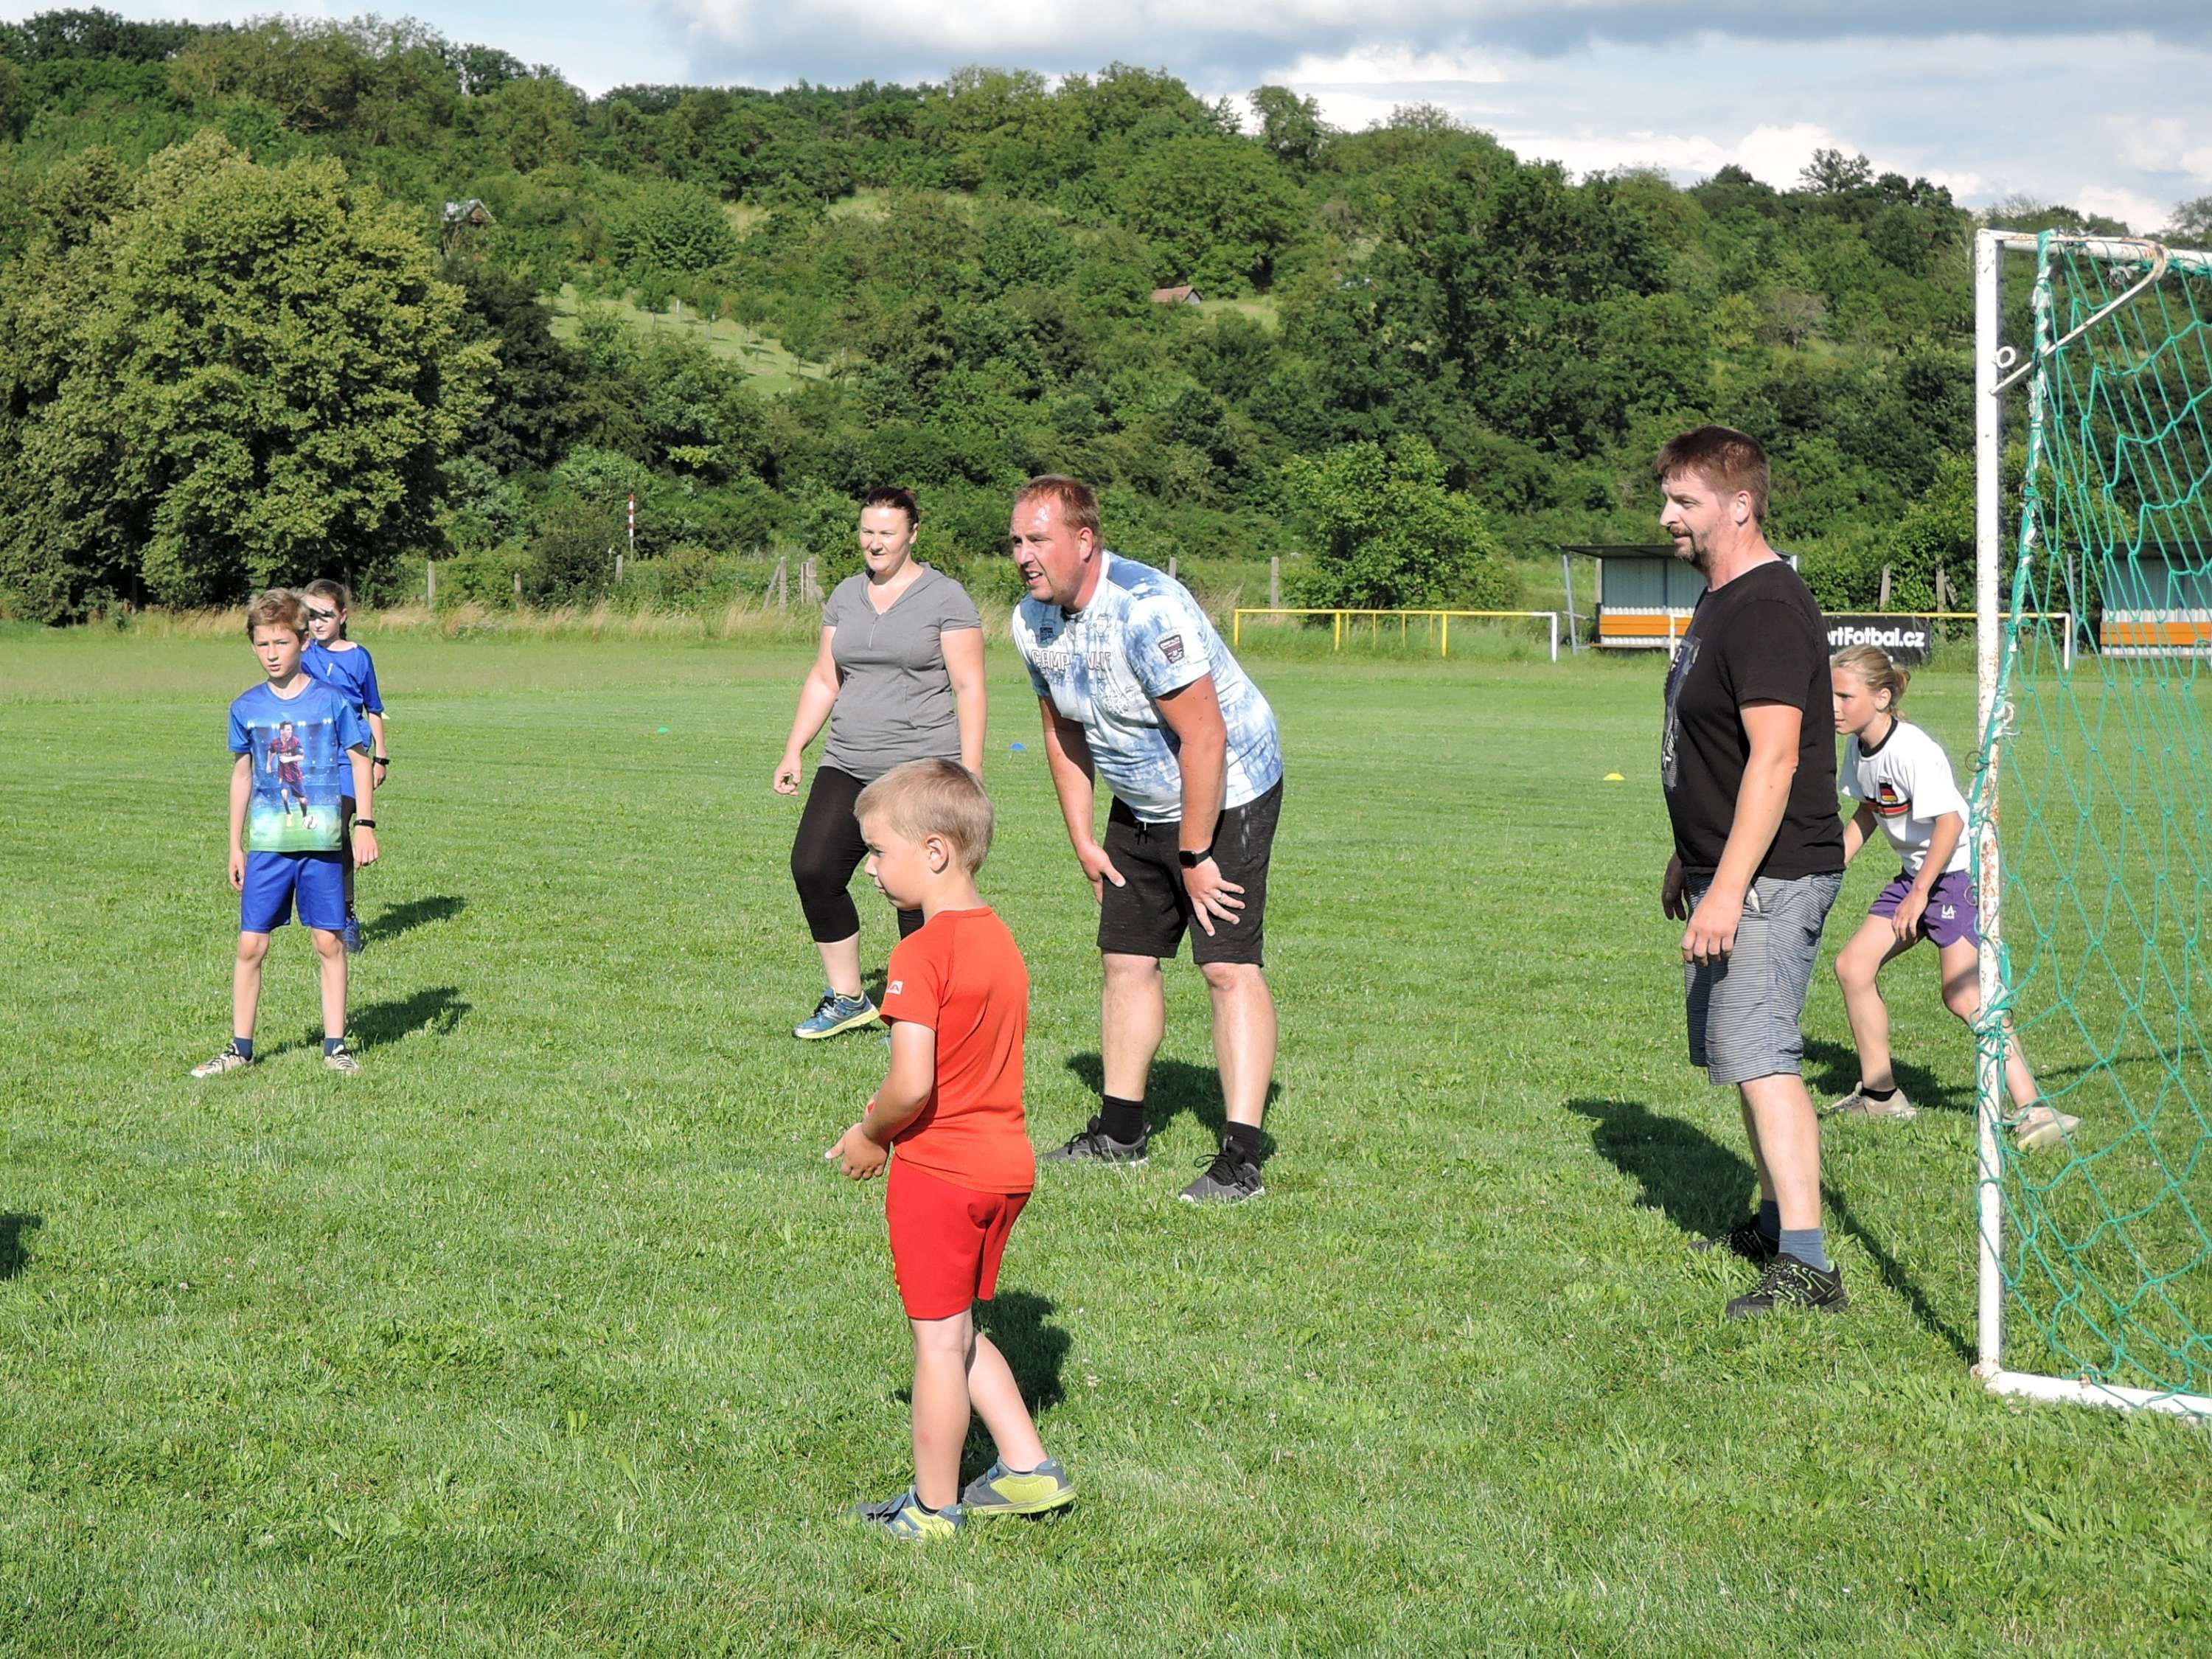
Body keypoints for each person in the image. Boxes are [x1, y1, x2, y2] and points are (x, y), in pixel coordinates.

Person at [1007, 476, 1285, 1205]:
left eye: (1038, 540)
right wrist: (1082, 837)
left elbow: (1206, 737)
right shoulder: (1030, 622)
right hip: (1138, 796)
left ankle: (1242, 1161)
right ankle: (1121, 1134)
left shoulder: (1146, 608)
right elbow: (1063, 731)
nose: (1024, 556)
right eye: (1016, 541)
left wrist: (1194, 855)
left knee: (1226, 965)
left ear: (1084, 541)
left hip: (1228, 787)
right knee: (1126, 958)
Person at [824, 759, 1074, 1540]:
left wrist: (871, 1133)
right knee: (959, 1326)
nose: (869, 869)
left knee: (936, 1342)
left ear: (935, 851)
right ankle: (1028, 1471)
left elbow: (912, 1084)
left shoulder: (920, 954)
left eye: (878, 851)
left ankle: (934, 1511)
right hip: (1006, 1168)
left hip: (939, 1174)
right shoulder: (1000, 939)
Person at [1655, 427, 1848, 1318]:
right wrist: (1691, 855)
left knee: (1765, 1058)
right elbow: (1718, 749)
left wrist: (1728, 888)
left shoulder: (1767, 606)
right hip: (1727, 866)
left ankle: (1808, 1265)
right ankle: (1773, 1226)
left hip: (1771, 877)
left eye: (1684, 501)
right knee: (1739, 1055)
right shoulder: (1721, 597)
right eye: (1668, 499)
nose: (1668, 517)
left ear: (1740, 505)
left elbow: (1774, 760)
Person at [1827, 644, 2078, 1150]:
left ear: (1881, 698)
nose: (1833, 706)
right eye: (1828, 695)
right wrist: (1831, 863)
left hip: (1954, 875)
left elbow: (1950, 822)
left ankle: (2035, 1108)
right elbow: (1871, 810)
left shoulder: (1912, 749)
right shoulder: (1858, 749)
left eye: (1844, 696)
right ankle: (1881, 1096)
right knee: (1853, 967)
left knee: (1963, 995)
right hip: (1917, 877)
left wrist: (1919, 894)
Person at [775, 488, 985, 1040]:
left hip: (919, 767)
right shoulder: (846, 595)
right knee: (814, 869)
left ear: (913, 534)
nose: (875, 542)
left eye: (887, 532)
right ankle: (848, 998)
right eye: (868, 531)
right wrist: (795, 748)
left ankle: (923, 1008)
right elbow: (825, 678)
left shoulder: (946, 597)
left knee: (915, 890)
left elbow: (969, 686)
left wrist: (970, 771)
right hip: (847, 758)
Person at [192, 589, 379, 1079]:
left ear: (302, 641)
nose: (272, 653)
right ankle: (240, 1049)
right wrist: (235, 845)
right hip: (268, 848)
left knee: (329, 944)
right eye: (262, 644)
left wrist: (364, 824)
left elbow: (361, 759)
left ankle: (336, 1047)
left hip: (321, 846)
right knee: (250, 947)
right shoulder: (246, 707)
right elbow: (242, 775)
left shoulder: (331, 701)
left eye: (281, 642)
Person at [302, 578, 389, 954]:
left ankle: (345, 914)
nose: (318, 622)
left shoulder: (358, 657)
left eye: (326, 614)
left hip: (349, 759)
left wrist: (381, 757)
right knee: (320, 834)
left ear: (343, 616)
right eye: (311, 615)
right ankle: (324, 907)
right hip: (312, 759)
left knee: (337, 826)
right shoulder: (302, 653)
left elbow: (374, 709)